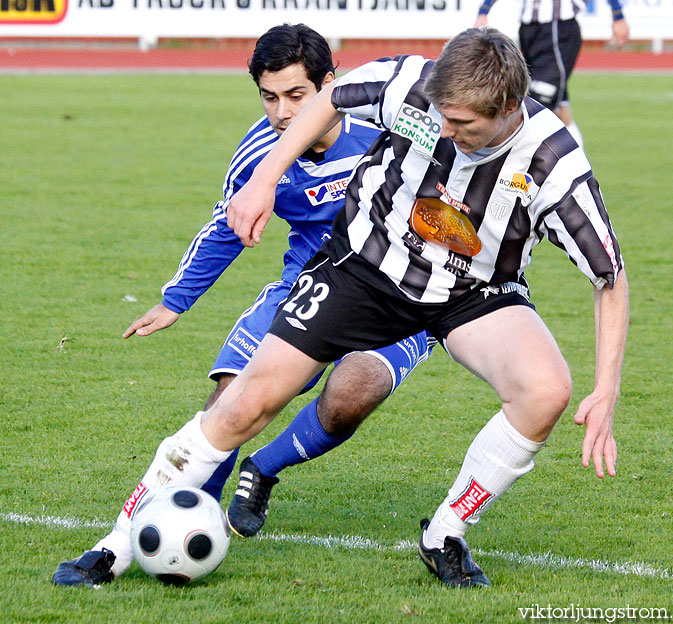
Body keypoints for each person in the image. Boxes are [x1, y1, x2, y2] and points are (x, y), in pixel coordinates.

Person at [52, 23, 433, 587]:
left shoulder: (391, 129)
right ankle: (156, 530)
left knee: (352, 395)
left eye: (297, 96)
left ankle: (266, 467)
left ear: (331, 84)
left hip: (401, 294)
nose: (282, 112)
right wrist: (175, 301)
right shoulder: (261, 151)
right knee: (229, 400)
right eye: (269, 97)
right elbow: (226, 228)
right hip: (310, 286)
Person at [474, 0, 629, 147]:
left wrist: (618, 16)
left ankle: (532, 165)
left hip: (558, 28)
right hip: (529, 29)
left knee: (538, 104)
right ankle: (578, 169)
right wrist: (484, 10)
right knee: (556, 106)